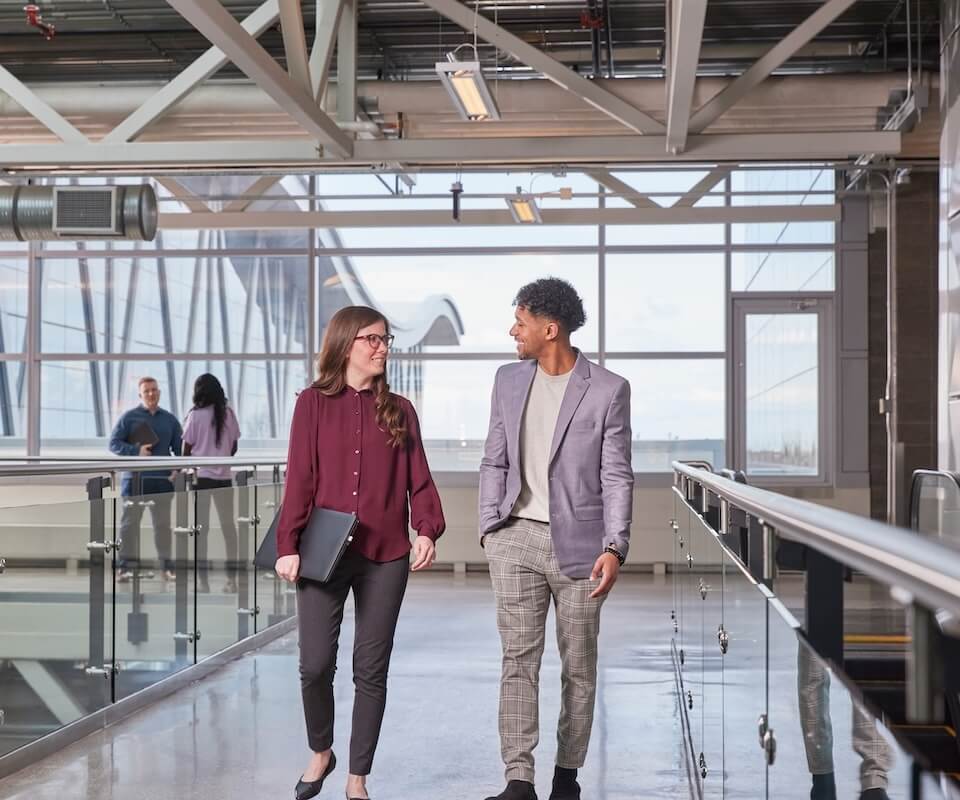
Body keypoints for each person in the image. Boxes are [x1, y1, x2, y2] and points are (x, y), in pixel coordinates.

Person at [274, 305, 445, 800]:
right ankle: (321, 751)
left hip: (385, 556)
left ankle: (357, 779)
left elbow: (419, 478)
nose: (382, 347)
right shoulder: (311, 404)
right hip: (322, 552)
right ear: (345, 343)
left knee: (371, 668)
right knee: (314, 664)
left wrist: (427, 529)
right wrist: (288, 544)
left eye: (386, 339)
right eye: (373, 339)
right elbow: (299, 479)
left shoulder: (400, 410)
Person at [479, 278, 633, 800]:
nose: (512, 331)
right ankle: (518, 780)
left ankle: (566, 777)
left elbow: (617, 475)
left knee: (579, 666)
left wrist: (614, 546)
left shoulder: (608, 389)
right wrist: (490, 529)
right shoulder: (507, 380)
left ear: (550, 329)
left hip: (584, 549)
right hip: (514, 538)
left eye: (520, 322)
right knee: (517, 661)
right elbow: (494, 458)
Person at [109, 376, 183, 582]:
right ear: (140, 395)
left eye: (154, 390)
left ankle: (167, 568)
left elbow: (180, 450)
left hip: (161, 481)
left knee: (163, 527)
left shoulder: (169, 419)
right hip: (135, 481)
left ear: (159, 392)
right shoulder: (128, 418)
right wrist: (136, 451)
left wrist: (177, 469)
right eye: (147, 391)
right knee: (129, 525)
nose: (151, 394)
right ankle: (125, 568)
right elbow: (113, 444)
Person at [182, 373, 241, 594]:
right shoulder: (228, 414)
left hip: (201, 478)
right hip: (224, 478)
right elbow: (234, 447)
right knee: (229, 529)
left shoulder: (195, 415)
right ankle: (231, 580)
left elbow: (185, 450)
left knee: (201, 530)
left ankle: (203, 582)